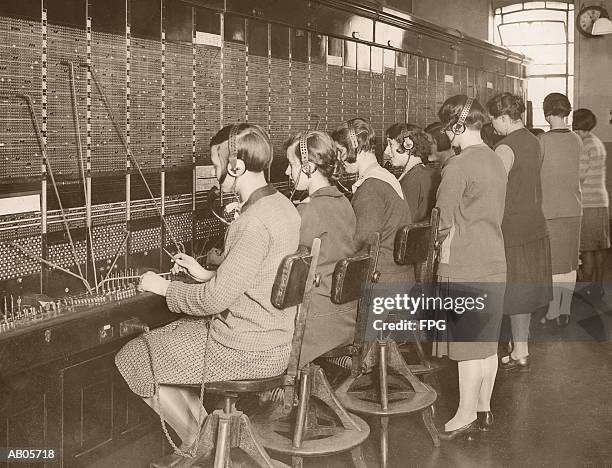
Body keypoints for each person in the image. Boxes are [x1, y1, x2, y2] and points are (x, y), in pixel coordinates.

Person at [115, 124, 300, 452]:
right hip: (276, 340)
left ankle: (199, 442)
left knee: (136, 355)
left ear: (235, 166)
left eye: (216, 166)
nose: (216, 175)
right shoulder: (284, 207)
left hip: (245, 350)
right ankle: (206, 434)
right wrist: (205, 274)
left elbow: (214, 300)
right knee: (169, 338)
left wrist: (162, 287)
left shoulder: (251, 222)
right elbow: (259, 275)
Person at [433, 95, 507, 438]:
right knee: (486, 343)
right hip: (493, 258)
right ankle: (483, 409)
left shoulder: (457, 166)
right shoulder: (494, 160)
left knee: (466, 345)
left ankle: (463, 414)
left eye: (450, 128)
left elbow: (441, 222)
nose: (448, 135)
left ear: (458, 126)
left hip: (464, 263)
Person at [486, 92, 552, 371]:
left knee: (513, 291)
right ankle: (520, 347)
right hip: (535, 222)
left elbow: (493, 190)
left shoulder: (504, 147)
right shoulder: (534, 141)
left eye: (493, 120)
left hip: (511, 227)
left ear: (503, 117)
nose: (492, 126)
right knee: (523, 290)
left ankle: (517, 350)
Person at [284, 130, 358, 365]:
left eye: (291, 164)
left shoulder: (309, 210)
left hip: (315, 323)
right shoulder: (344, 202)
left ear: (308, 167)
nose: (287, 172)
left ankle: (268, 393)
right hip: (345, 317)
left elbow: (284, 266)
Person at [331, 118, 414, 285]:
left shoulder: (370, 189)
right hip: (399, 276)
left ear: (354, 148)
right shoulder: (384, 176)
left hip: (383, 280)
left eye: (340, 151)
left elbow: (359, 242)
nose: (338, 158)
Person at [538, 93, 583, 327]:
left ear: (547, 114)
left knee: (555, 264)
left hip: (550, 211)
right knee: (570, 262)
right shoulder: (576, 139)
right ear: (567, 112)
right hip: (574, 208)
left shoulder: (543, 141)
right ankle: (565, 309)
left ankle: (553, 311)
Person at [573, 108, 610, 301]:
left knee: (587, 248)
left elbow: (580, 176)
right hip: (601, 201)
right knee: (599, 247)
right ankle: (597, 287)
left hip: (588, 203)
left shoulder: (585, 145)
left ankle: (585, 289)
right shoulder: (596, 142)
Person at [385, 123, 441, 223]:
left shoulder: (413, 179)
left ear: (408, 145)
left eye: (390, 144)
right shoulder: (427, 173)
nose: (386, 151)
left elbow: (403, 222)